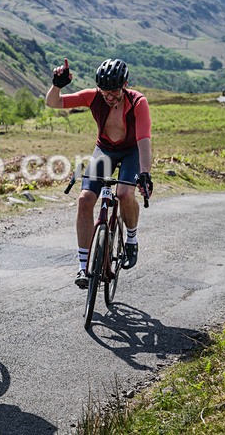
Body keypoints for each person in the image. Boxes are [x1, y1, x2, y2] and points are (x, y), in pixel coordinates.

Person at [46, 58, 153, 288]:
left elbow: (144, 140)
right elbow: (54, 102)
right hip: (105, 150)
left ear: (125, 85)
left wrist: (145, 173)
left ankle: (131, 239)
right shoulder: (93, 96)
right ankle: (83, 267)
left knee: (124, 194)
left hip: (131, 151)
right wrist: (57, 85)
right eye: (105, 92)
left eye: (114, 92)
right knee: (84, 199)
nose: (109, 97)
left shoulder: (138, 102)